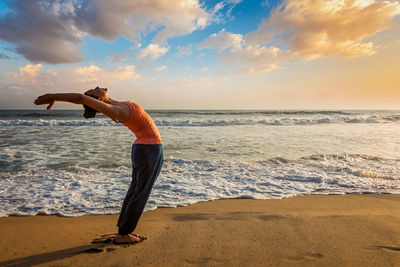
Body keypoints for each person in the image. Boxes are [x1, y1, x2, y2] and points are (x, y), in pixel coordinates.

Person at [34, 87, 163, 244]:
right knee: (140, 192)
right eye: (94, 90)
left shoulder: (115, 104)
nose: (98, 87)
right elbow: (81, 98)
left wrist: (102, 99)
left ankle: (124, 229)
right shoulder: (115, 110)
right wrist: (55, 96)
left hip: (146, 148)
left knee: (136, 190)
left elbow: (94, 99)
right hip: (148, 149)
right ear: (97, 99)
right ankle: (124, 234)